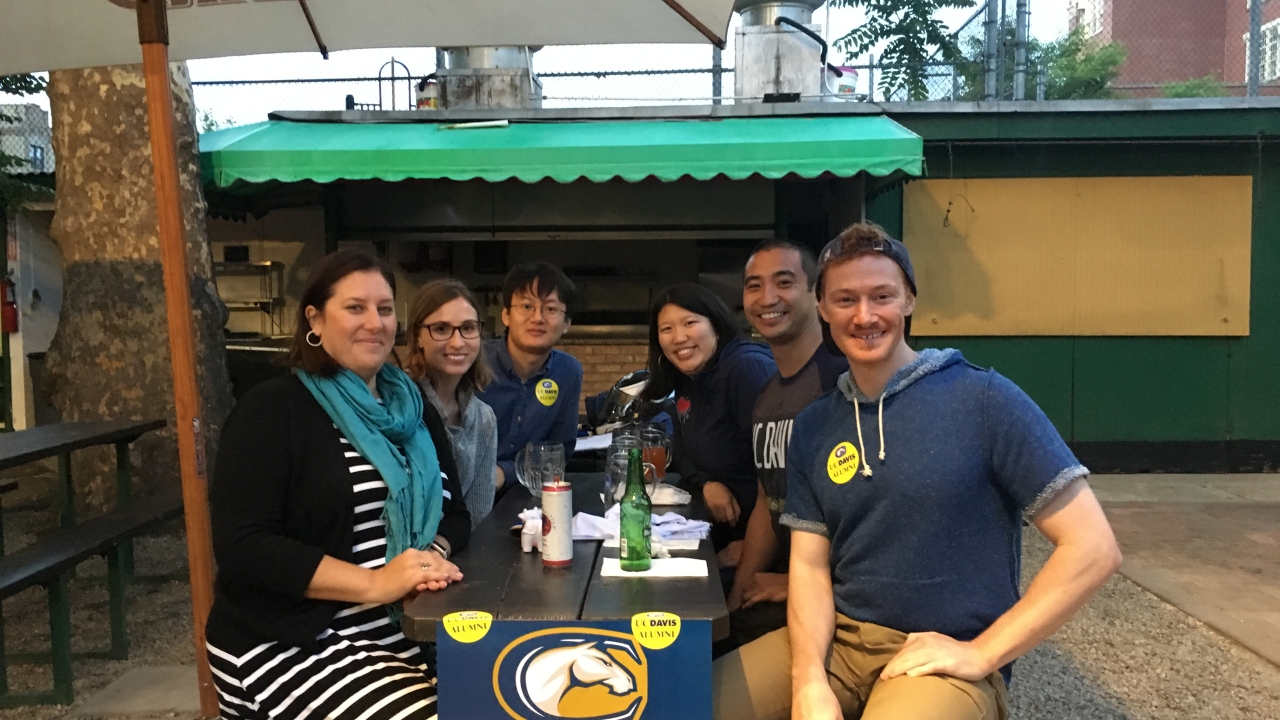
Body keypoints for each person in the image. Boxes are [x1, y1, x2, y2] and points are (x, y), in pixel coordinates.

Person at [713, 224, 1123, 720]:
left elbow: (1093, 547)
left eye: (881, 296)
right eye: (845, 300)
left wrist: (983, 652)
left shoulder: (985, 400)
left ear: (908, 299)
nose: (864, 316)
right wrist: (808, 684)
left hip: (939, 658)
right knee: (686, 703)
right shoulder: (815, 425)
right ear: (822, 310)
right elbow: (809, 566)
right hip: (839, 643)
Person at [206, 249, 470, 720]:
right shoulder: (273, 408)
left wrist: (432, 559)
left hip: (404, 628)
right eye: (355, 307)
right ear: (315, 319)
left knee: (514, 695)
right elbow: (245, 548)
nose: (375, 322)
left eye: (385, 309)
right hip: (291, 637)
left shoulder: (412, 409)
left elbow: (456, 513)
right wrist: (375, 583)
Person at [721, 240, 848, 655]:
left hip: (837, 606)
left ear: (817, 294)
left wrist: (796, 583)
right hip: (781, 582)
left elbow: (878, 519)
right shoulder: (767, 396)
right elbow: (767, 501)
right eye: (754, 286)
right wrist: (734, 600)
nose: (767, 298)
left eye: (784, 282)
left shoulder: (843, 381)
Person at [640, 283, 776, 558]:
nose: (679, 337)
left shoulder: (746, 369)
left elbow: (782, 474)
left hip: (765, 543)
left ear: (716, 323)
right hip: (717, 531)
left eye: (690, 323)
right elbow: (683, 453)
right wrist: (707, 483)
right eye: (666, 329)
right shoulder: (689, 380)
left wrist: (759, 549)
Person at [476, 262, 583, 492]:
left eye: (551, 309)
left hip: (530, 497)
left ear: (566, 324)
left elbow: (559, 452)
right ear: (506, 315)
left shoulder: (568, 372)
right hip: (466, 493)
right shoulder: (475, 361)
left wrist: (505, 472)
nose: (538, 318)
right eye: (526, 306)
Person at [406, 278, 499, 528]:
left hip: (457, 555)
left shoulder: (484, 417)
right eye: (441, 329)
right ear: (417, 337)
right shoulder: (399, 405)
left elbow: (476, 517)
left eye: (468, 328)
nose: (457, 342)